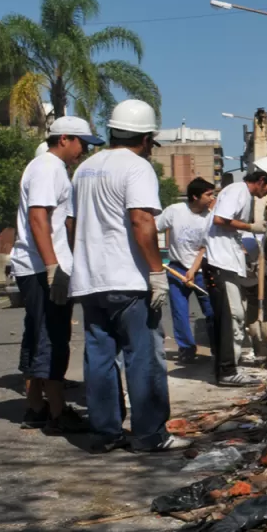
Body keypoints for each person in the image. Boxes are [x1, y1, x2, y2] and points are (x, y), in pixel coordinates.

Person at [69, 100, 190, 452]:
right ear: (146, 138)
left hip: (91, 281)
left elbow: (72, 223)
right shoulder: (137, 168)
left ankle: (105, 433)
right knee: (144, 356)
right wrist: (156, 272)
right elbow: (141, 220)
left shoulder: (85, 169)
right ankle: (150, 435)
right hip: (128, 281)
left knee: (99, 359)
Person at [12, 117, 102, 433]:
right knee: (53, 337)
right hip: (42, 268)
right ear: (64, 138)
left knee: (38, 335)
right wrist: (53, 267)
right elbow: (39, 217)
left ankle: (36, 407)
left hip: (40, 266)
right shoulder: (47, 167)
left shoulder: (49, 168)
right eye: (83, 143)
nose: (84, 150)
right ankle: (56, 412)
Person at [204, 155, 267, 386]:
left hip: (225, 262)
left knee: (232, 317)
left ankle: (226, 368)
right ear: (261, 180)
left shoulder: (242, 194)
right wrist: (250, 226)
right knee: (232, 317)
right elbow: (220, 219)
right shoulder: (238, 191)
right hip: (220, 263)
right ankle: (228, 371)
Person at [157, 177, 216, 364]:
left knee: (211, 310)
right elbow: (152, 229)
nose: (212, 198)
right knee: (179, 312)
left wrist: (192, 270)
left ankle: (218, 347)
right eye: (208, 194)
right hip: (175, 268)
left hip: (201, 270)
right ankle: (186, 348)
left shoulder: (211, 218)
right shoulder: (174, 211)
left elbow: (204, 248)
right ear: (195, 196)